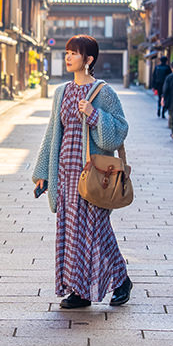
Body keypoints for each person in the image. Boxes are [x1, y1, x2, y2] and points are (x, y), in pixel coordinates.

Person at [32, 34, 133, 309]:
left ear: (88, 59)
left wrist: (94, 115)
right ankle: (79, 291)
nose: (68, 57)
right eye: (67, 52)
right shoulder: (61, 92)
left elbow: (120, 129)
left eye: (74, 53)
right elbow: (53, 132)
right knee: (71, 230)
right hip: (65, 172)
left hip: (92, 174)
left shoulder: (103, 93)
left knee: (97, 228)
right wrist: (44, 173)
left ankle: (121, 280)